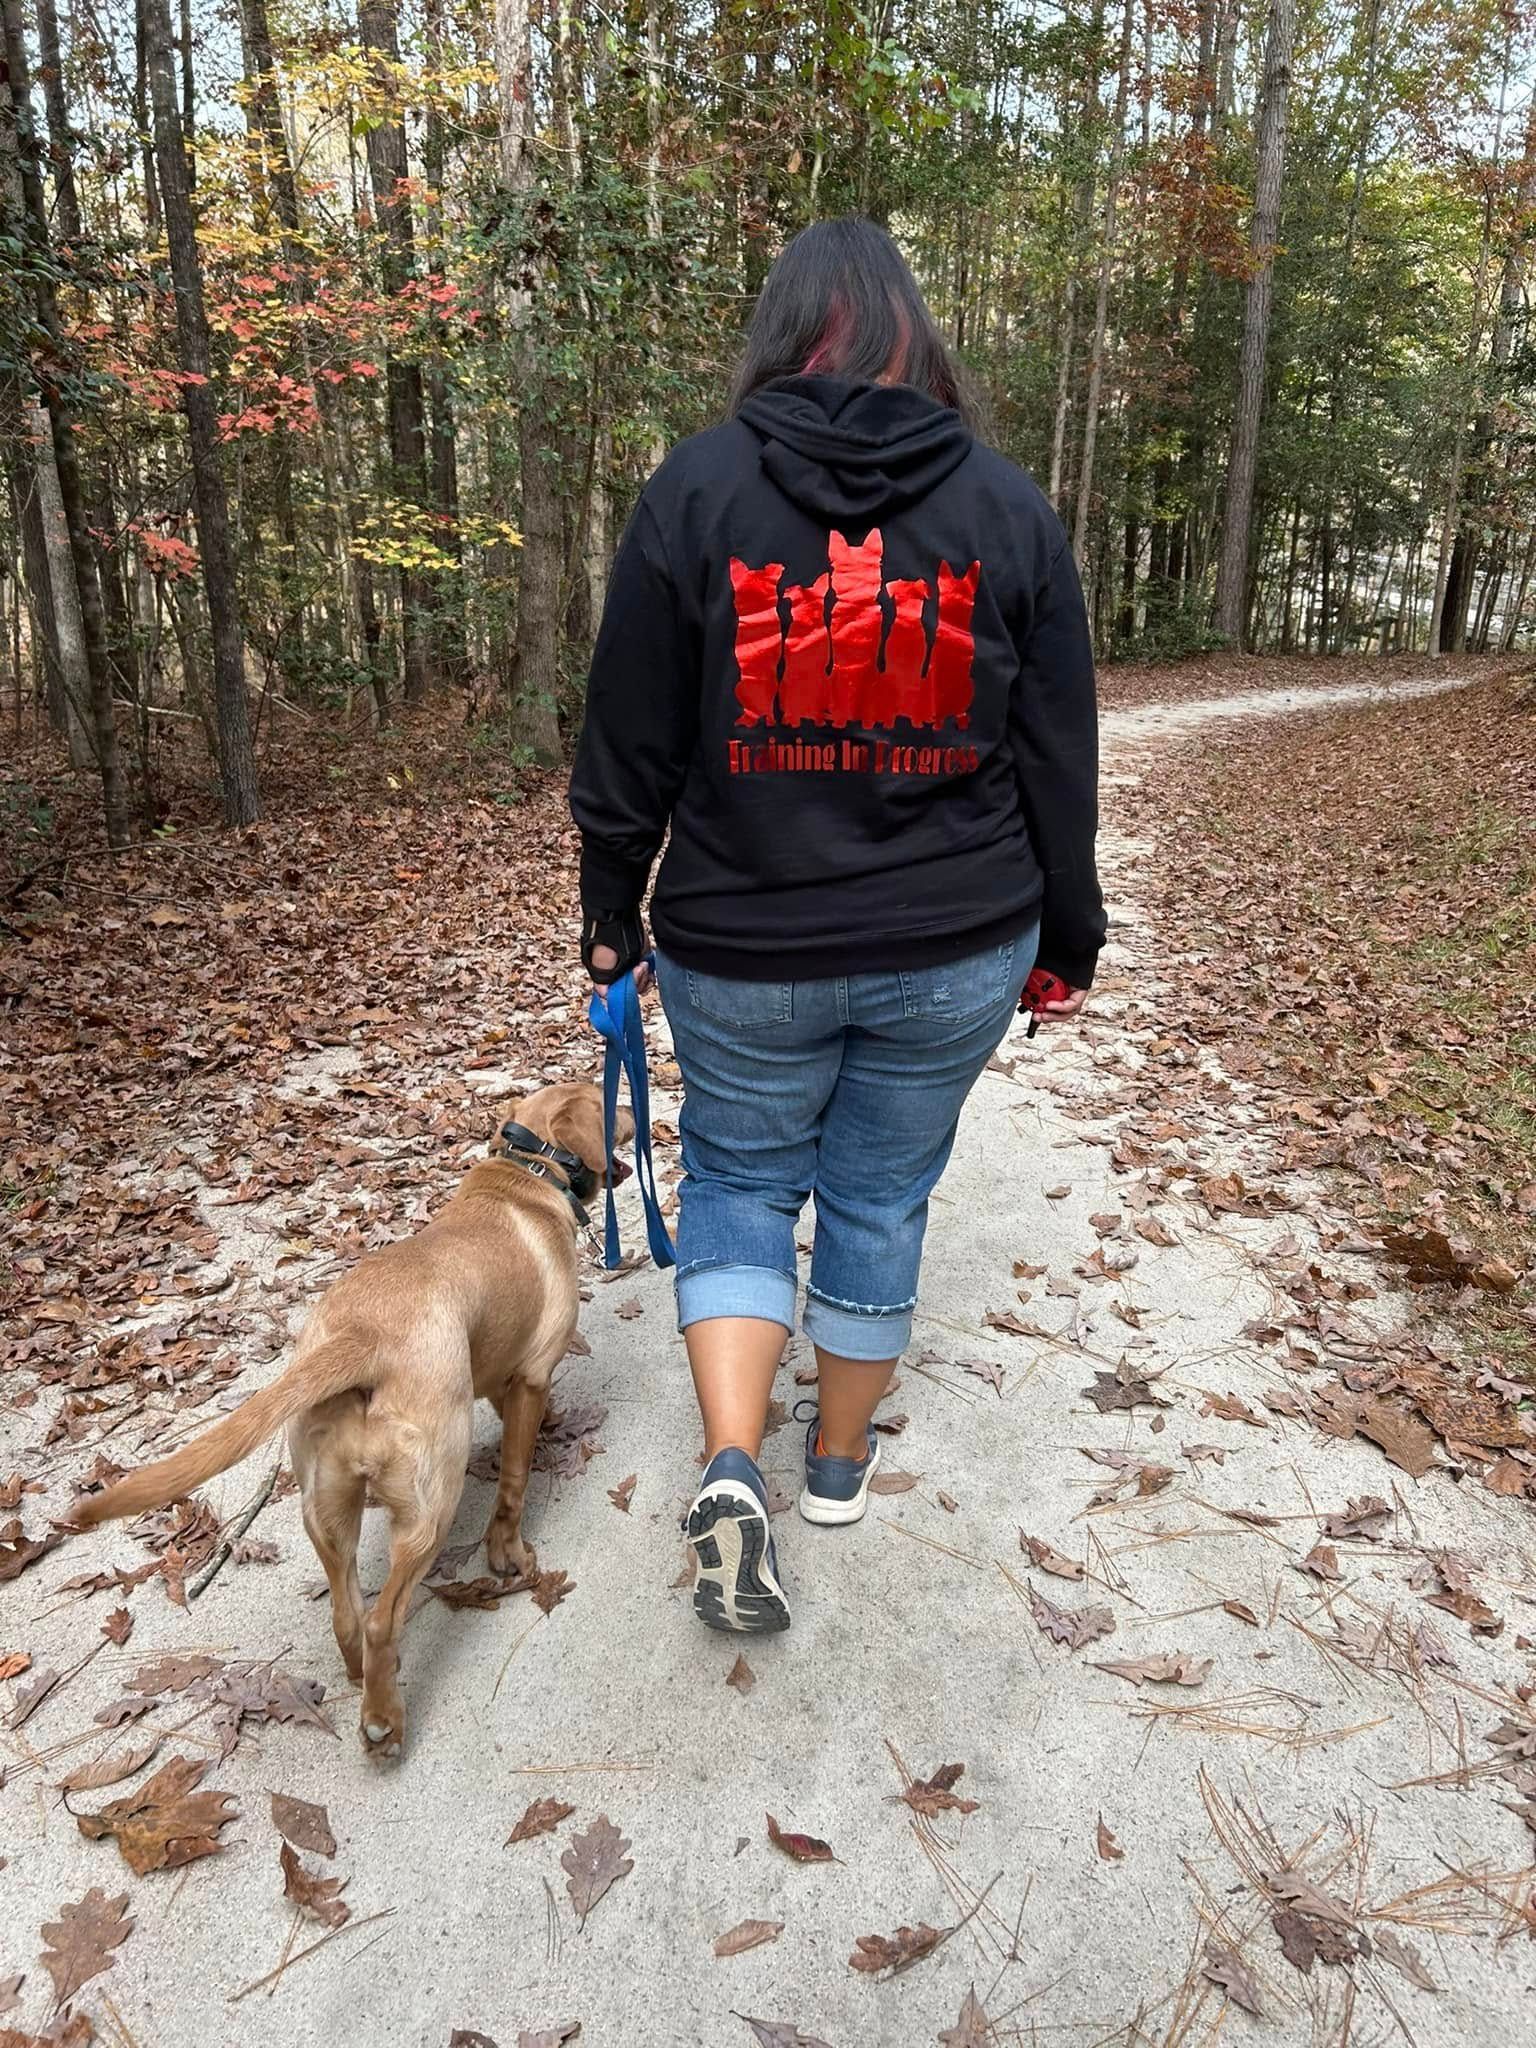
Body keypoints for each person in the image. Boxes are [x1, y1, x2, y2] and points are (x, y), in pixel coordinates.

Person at [569, 216, 1104, 1634]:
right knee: (880, 1191)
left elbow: (626, 732)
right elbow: (1058, 750)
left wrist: (609, 911)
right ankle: (839, 1464)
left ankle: (730, 1461)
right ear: (917, 334)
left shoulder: (695, 492)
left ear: (777, 333)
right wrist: (1072, 931)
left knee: (743, 1181)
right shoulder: (1004, 505)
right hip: (957, 938)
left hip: (746, 942)